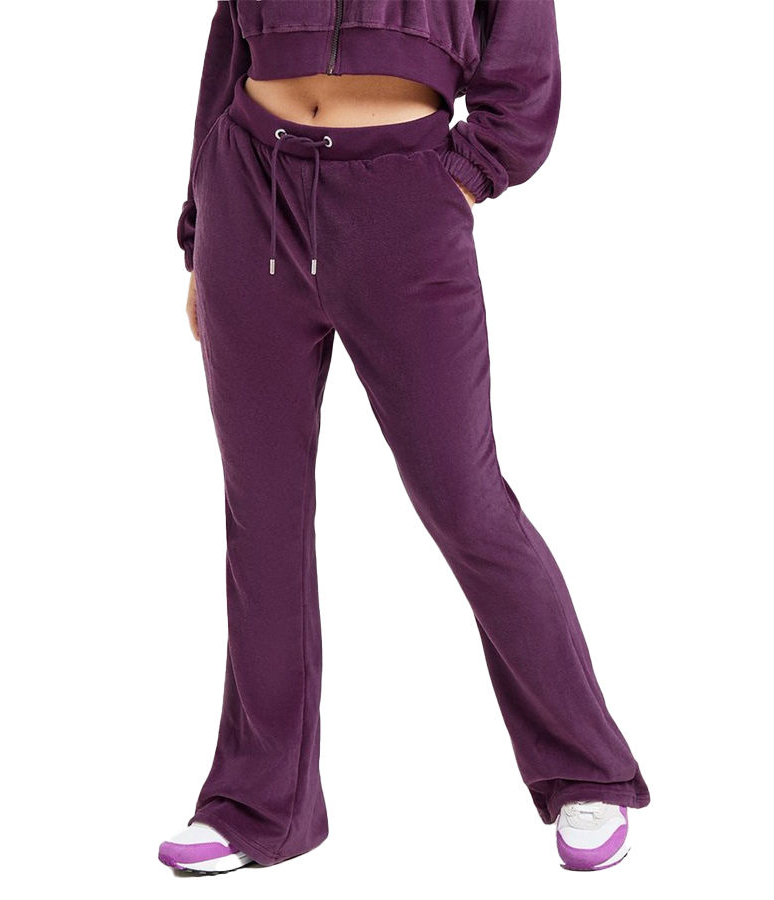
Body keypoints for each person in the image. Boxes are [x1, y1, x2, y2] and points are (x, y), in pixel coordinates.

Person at [159, 0, 650, 876]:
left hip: (402, 202)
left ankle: (587, 773)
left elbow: (525, 68)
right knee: (262, 516)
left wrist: (460, 173)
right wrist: (201, 231)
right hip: (249, 191)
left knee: (466, 502)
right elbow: (226, 51)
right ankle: (256, 805)